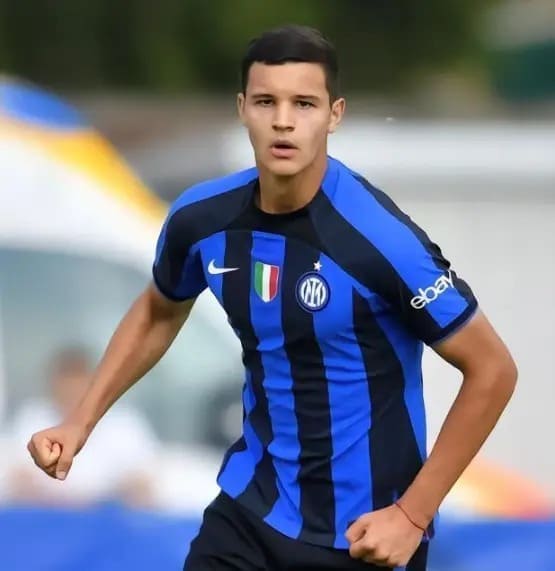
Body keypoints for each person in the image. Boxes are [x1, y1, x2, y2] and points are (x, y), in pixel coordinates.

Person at [27, 25, 518, 570]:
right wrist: (80, 422)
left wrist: (412, 515)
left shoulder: (381, 241)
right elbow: (157, 311)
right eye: (267, 102)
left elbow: (492, 369)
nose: (284, 121)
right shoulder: (201, 220)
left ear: (334, 115)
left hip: (363, 535)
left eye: (304, 104)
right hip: (250, 514)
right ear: (243, 109)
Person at [10, 346, 158, 508]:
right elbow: (16, 479)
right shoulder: (32, 419)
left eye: (78, 383)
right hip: (47, 515)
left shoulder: (124, 424)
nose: (72, 391)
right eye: (66, 384)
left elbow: (145, 485)